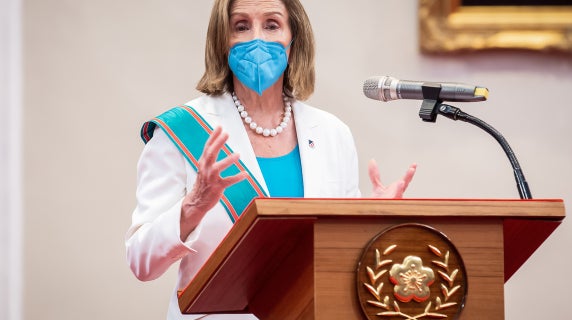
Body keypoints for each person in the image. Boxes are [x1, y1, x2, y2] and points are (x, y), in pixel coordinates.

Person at [125, 0, 417, 319]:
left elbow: (343, 255)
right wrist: (193, 206)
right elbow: (142, 261)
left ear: (294, 40)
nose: (257, 39)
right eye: (241, 26)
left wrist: (374, 221)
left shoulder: (333, 133)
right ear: (222, 42)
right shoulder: (181, 131)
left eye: (272, 24)